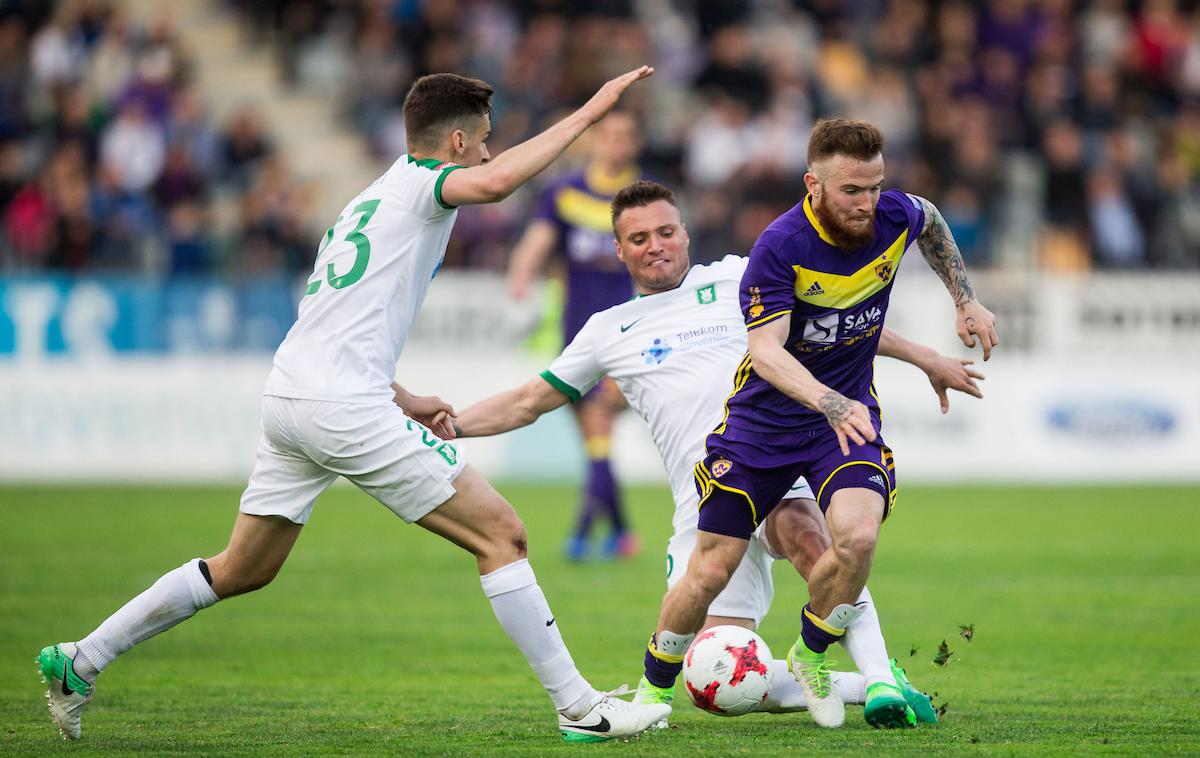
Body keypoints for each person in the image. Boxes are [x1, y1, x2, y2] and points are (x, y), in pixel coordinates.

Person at [36, 68, 672, 744]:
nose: (489, 153)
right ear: (456, 141)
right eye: (484, 140)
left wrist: (404, 397)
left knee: (242, 568)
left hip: (292, 396)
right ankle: (580, 708)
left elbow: (330, 322)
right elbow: (493, 183)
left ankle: (81, 660)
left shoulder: (367, 202)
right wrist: (589, 111)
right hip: (340, 405)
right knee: (502, 534)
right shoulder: (429, 188)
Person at [447, 180, 983, 727]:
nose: (655, 245)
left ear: (685, 233)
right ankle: (852, 682)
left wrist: (924, 357)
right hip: (702, 502)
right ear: (619, 250)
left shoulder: (737, 276)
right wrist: (452, 425)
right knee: (716, 675)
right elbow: (527, 401)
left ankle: (881, 679)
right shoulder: (606, 331)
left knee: (809, 537)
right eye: (638, 238)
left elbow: (834, 322)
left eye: (665, 232)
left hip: (772, 456)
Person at [639, 119, 999, 730]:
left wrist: (963, 299)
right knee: (713, 567)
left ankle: (809, 654)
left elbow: (932, 221)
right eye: (851, 191)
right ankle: (650, 696)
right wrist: (831, 402)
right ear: (813, 184)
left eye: (875, 188)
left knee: (856, 540)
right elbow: (769, 352)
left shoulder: (894, 216)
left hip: (843, 422)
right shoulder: (779, 247)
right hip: (763, 425)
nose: (867, 204)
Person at [507, 111, 645, 561]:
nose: (618, 144)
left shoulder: (641, 197)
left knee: (598, 423)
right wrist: (522, 272)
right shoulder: (565, 192)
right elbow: (539, 239)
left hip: (626, 334)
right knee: (591, 435)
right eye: (610, 135)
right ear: (593, 141)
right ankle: (621, 533)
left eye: (626, 135)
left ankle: (583, 534)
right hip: (574, 335)